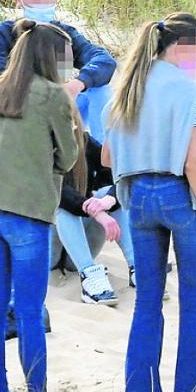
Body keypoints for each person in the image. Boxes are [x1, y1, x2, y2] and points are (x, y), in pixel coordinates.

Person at [104, 13, 196, 392]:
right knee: (193, 304)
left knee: (147, 304)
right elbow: (192, 161)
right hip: (180, 197)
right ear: (184, 47)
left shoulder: (128, 85)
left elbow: (107, 157)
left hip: (137, 197)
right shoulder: (185, 88)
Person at [0, 20, 81, 392]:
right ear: (53, 58)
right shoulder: (53, 95)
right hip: (27, 213)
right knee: (30, 312)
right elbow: (67, 159)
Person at [0, 0, 117, 142]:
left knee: (100, 90)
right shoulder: (2, 35)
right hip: (17, 106)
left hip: (59, 103)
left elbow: (103, 60)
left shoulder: (64, 34)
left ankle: (103, 155)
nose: (41, 0)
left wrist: (79, 83)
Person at [54, 131, 136, 306]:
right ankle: (89, 273)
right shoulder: (36, 142)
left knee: (106, 197)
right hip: (47, 250)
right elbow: (54, 189)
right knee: (61, 206)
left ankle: (137, 266)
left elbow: (118, 176)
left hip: (77, 248)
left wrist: (109, 199)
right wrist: (95, 211)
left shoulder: (82, 140)